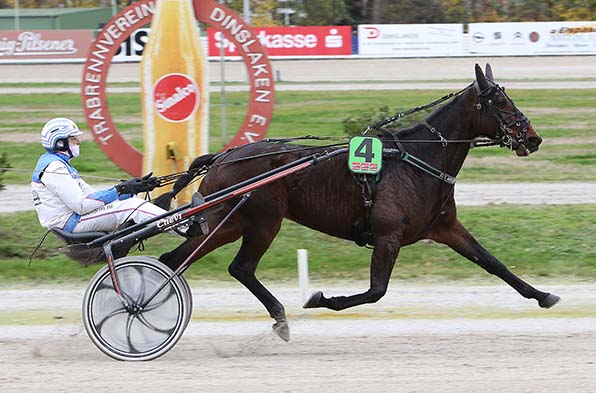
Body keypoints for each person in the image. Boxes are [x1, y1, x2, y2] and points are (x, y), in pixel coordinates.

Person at [31, 118, 167, 234]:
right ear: (60, 142)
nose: (78, 142)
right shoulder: (55, 167)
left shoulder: (61, 164)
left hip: (74, 217)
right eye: (73, 138)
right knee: (132, 207)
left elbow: (92, 196)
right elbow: (82, 205)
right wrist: (119, 190)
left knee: (130, 201)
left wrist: (131, 190)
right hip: (69, 222)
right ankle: (181, 225)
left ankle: (177, 222)